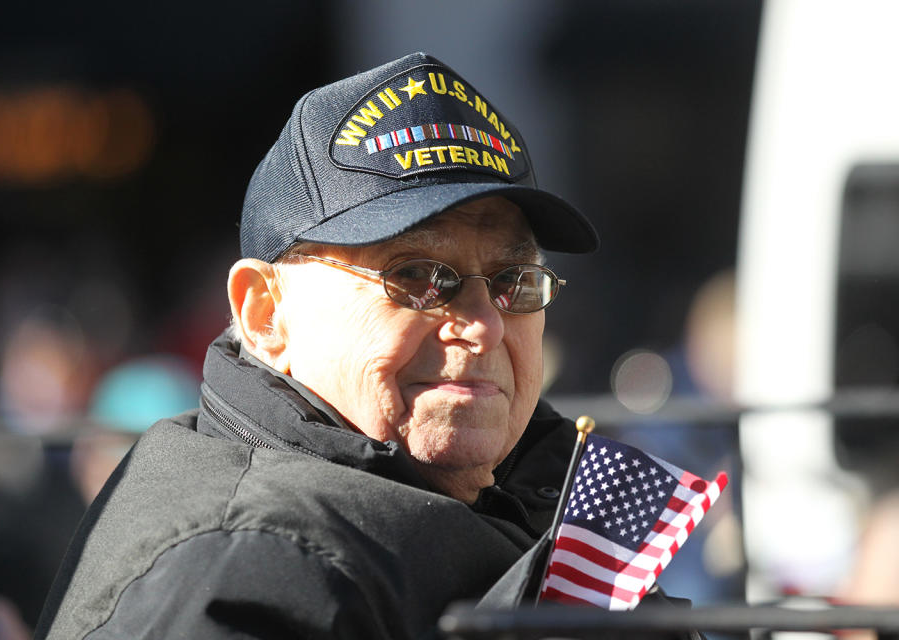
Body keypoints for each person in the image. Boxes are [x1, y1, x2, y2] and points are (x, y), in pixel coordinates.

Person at [35, 52, 693, 639]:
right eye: (416, 276)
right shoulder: (244, 566)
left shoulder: (526, 492)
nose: (484, 325)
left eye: (513, 282)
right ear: (265, 313)